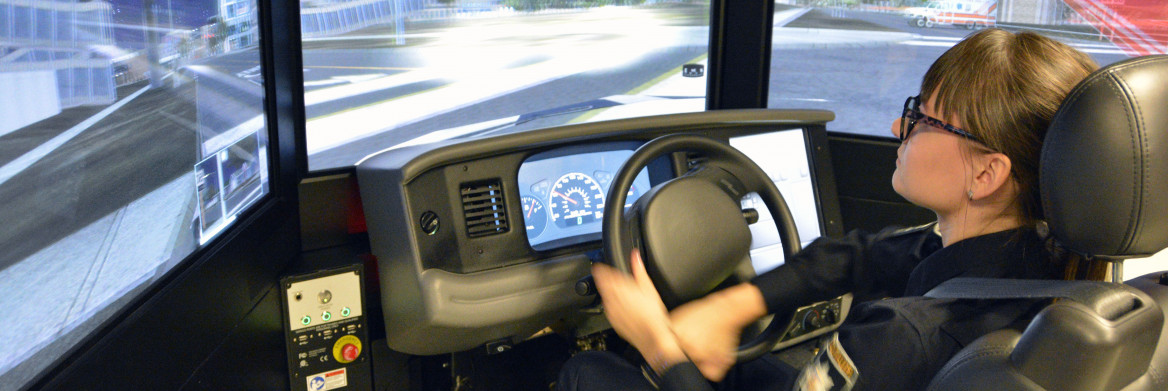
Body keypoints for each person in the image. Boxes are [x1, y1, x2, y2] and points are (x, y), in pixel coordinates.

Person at [557, 28, 1102, 391]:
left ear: (987, 174)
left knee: (589, 369)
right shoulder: (1036, 264)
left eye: (922, 118)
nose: (897, 127)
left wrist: (657, 343)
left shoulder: (900, 336)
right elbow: (860, 256)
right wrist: (734, 306)